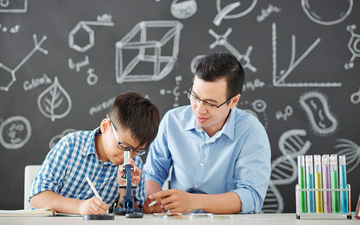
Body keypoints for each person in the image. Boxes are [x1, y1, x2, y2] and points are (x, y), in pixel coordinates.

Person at [143, 52, 271, 214]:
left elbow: (251, 197)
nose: (199, 109)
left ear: (233, 101)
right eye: (195, 97)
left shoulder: (251, 132)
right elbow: (154, 173)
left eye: (210, 103)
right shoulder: (172, 121)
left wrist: (194, 202)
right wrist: (151, 198)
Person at [29, 92, 160, 215]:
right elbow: (37, 197)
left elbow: (128, 217)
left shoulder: (134, 165)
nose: (129, 155)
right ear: (105, 126)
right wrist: (80, 207)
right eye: (124, 146)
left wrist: (125, 190)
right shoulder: (71, 145)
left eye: (137, 150)